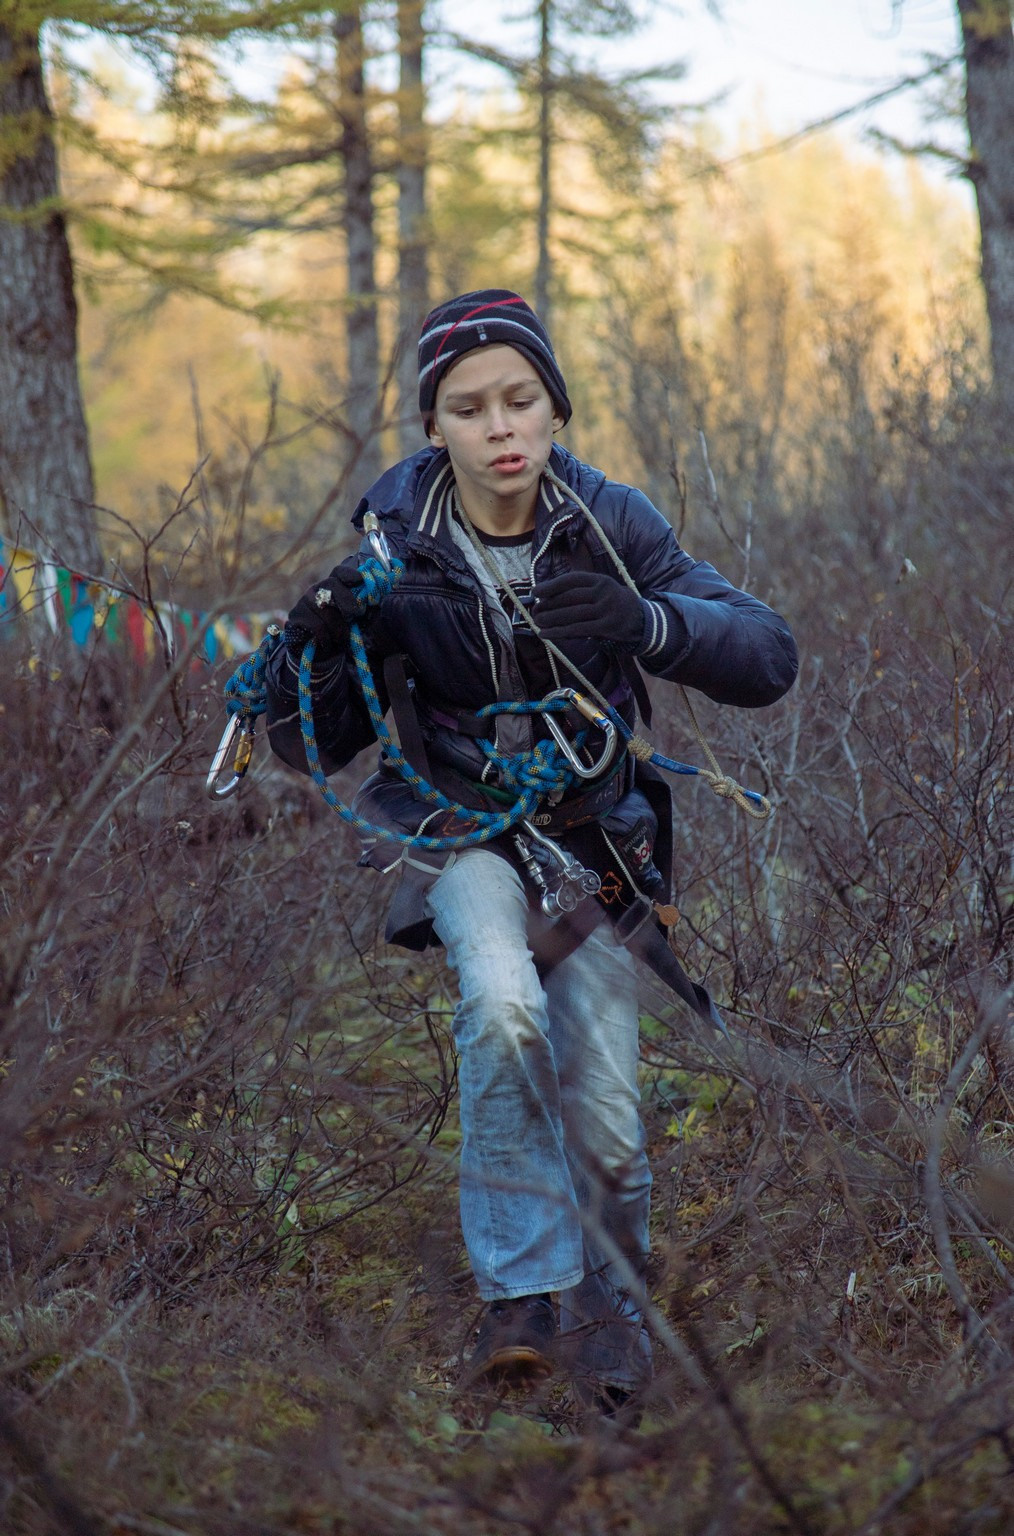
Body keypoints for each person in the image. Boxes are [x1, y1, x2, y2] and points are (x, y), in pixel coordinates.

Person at [265, 289, 798, 1412]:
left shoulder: (611, 519)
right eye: (468, 407)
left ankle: (613, 1310)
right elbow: (302, 744)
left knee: (602, 1086)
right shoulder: (391, 548)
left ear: (555, 408)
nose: (499, 426)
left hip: (592, 837)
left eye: (521, 400)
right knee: (502, 1002)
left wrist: (644, 622)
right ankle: (521, 1301)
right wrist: (310, 646)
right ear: (435, 426)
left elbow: (767, 656)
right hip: (454, 826)